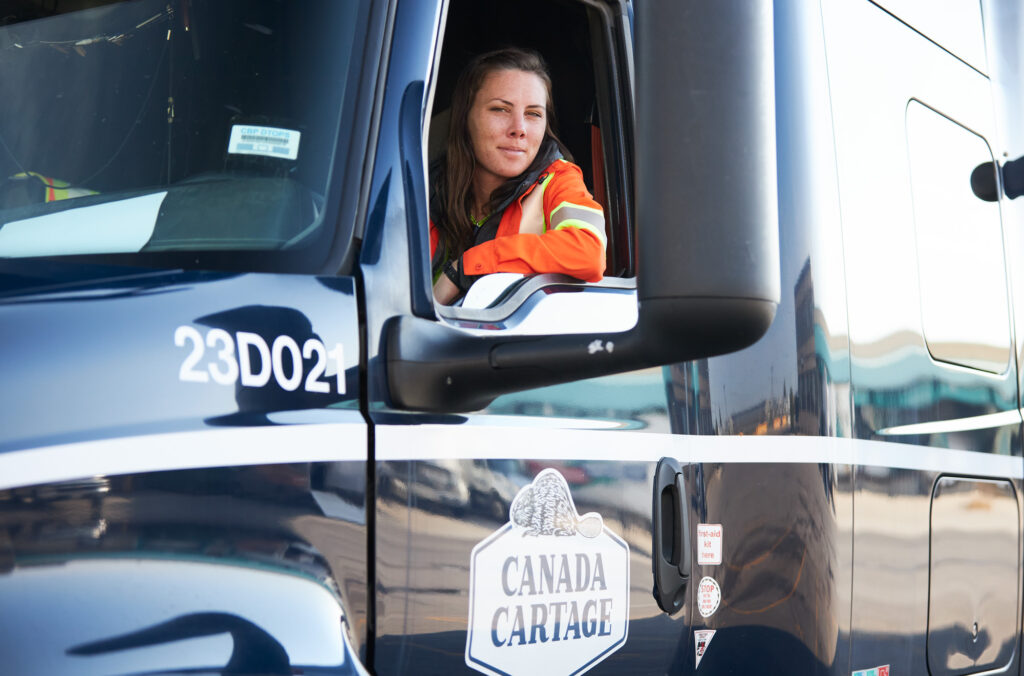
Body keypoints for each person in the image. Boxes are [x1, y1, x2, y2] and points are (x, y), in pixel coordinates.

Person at [430, 48, 606, 305]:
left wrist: (465, 268)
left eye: (533, 114)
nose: (519, 129)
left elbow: (588, 251)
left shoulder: (558, 180)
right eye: (500, 110)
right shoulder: (424, 186)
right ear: (465, 117)